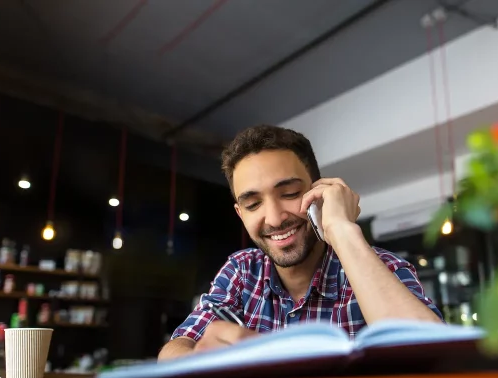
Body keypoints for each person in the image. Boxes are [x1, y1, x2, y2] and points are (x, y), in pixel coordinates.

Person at [159, 125, 442, 360]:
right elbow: (175, 349)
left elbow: (433, 353)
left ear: (320, 192)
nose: (274, 218)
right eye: (254, 203)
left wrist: (341, 228)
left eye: (290, 193)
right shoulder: (243, 270)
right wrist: (202, 358)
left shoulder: (382, 267)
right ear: (240, 213)